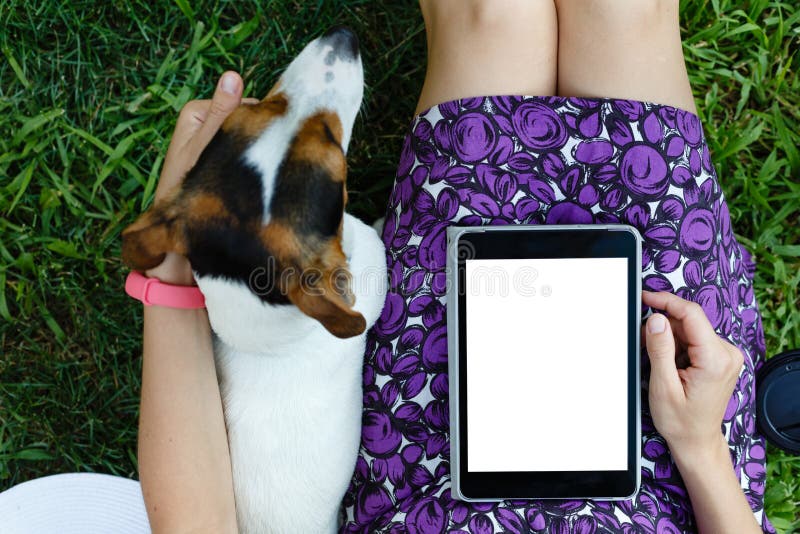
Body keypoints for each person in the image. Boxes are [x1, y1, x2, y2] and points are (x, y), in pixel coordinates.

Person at [135, 1, 773, 532]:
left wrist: (172, 267)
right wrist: (700, 447)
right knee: (623, 12)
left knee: (490, 16)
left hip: (437, 401)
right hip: (672, 432)